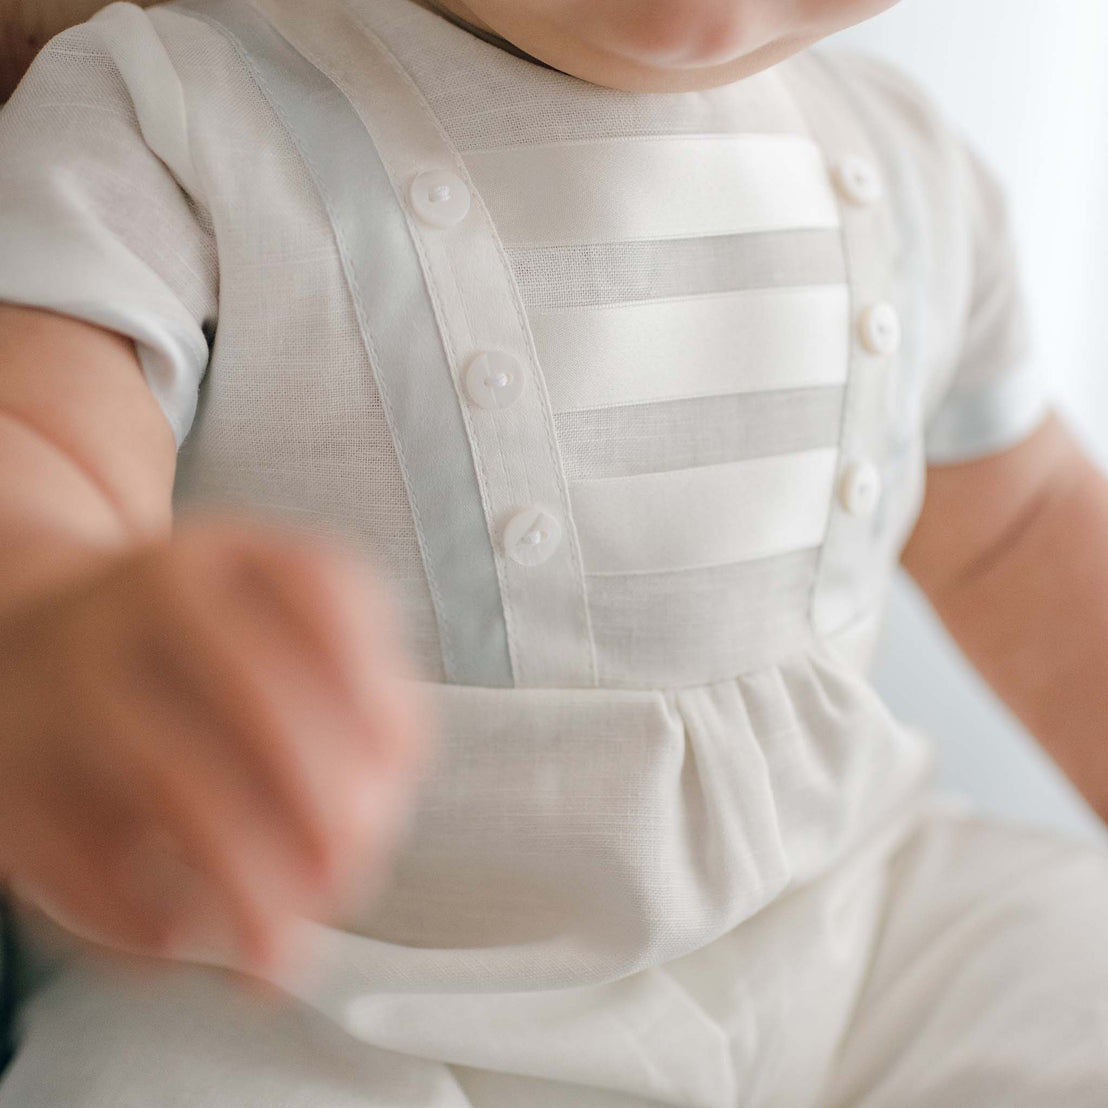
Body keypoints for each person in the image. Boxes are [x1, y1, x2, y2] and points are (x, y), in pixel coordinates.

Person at [0, 0, 1106, 1102]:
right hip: (323, 983)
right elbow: (37, 443)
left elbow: (1018, 526)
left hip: (859, 928)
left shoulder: (902, 162)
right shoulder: (176, 106)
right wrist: (53, 620)